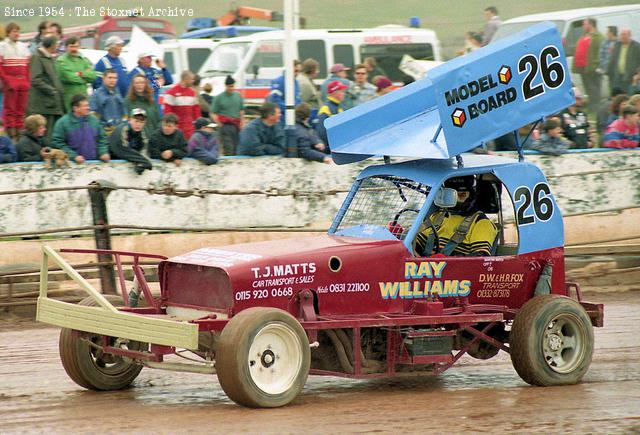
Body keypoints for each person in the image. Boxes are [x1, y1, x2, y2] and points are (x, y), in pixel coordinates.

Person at [414, 176, 498, 257]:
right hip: (423, 269)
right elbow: (414, 245)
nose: (455, 199)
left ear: (471, 195)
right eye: (450, 196)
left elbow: (480, 259)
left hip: (457, 270)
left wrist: (445, 259)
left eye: (461, 195)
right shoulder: (436, 217)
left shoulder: (481, 223)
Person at [27, 35, 64, 146]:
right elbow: (35, 79)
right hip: (43, 104)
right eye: (56, 43)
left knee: (51, 133)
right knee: (44, 134)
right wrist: (52, 90)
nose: (58, 46)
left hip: (52, 104)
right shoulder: (37, 57)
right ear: (51, 45)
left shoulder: (49, 58)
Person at [51, 94, 109, 164]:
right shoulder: (62, 123)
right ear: (75, 108)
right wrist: (73, 156)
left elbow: (102, 138)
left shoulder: (94, 120)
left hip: (94, 164)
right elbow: (57, 143)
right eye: (85, 106)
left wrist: (103, 152)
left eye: (88, 105)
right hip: (73, 166)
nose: (88, 108)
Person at [0, 23, 31, 141]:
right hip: (11, 81)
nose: (16, 34)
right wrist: (7, 80)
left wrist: (27, 81)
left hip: (22, 81)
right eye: (14, 31)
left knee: (21, 108)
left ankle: (19, 132)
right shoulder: (2, 46)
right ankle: (11, 133)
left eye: (18, 31)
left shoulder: (23, 46)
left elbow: (27, 66)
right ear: (8, 33)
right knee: (10, 108)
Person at [55, 36, 96, 111]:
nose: (74, 49)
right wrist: (85, 78)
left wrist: (80, 74)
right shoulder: (61, 61)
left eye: (76, 46)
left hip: (84, 98)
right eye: (71, 47)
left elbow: (93, 76)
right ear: (66, 47)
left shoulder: (84, 59)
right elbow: (70, 78)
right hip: (70, 99)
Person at [572, 18, 603, 114]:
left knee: (594, 90)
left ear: (591, 25)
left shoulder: (598, 37)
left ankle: (596, 108)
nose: (583, 26)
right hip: (583, 68)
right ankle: (591, 107)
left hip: (592, 68)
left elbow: (601, 53)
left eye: (585, 24)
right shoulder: (583, 36)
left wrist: (596, 65)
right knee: (588, 89)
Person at [109, 108, 152, 174]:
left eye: (141, 122)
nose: (138, 124)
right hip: (111, 162)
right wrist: (143, 161)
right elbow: (122, 149)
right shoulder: (122, 129)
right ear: (130, 120)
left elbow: (144, 148)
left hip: (125, 165)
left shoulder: (143, 133)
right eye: (136, 121)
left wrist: (141, 163)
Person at [211, 75, 244, 155]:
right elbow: (213, 113)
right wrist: (219, 124)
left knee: (237, 147)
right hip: (225, 126)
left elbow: (241, 110)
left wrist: (242, 121)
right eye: (229, 86)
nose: (231, 88)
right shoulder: (219, 98)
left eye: (232, 86)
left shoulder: (238, 96)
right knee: (228, 148)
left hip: (236, 125)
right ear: (225, 86)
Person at [163, 70, 200, 140]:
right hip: (177, 129)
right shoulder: (171, 92)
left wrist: (197, 124)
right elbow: (167, 112)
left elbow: (196, 110)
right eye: (191, 79)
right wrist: (171, 127)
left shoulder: (192, 93)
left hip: (190, 129)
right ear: (186, 79)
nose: (193, 81)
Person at [90, 69, 125, 136]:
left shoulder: (118, 93)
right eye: (110, 78)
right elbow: (93, 117)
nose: (112, 80)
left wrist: (124, 124)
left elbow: (123, 111)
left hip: (119, 132)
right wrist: (103, 128)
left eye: (115, 78)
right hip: (105, 133)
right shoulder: (96, 95)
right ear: (103, 78)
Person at [125, 74, 161, 139]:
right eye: (137, 83)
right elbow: (126, 122)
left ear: (146, 84)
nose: (139, 85)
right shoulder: (128, 101)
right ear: (133, 85)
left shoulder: (151, 100)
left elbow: (159, 120)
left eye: (142, 82)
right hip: (137, 141)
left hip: (154, 139)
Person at [266, 60, 302, 125]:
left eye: (299, 71)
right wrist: (290, 108)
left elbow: (298, 99)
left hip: (293, 117)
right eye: (296, 71)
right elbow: (274, 101)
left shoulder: (295, 82)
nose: (297, 74)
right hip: (281, 118)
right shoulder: (278, 81)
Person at [607, 28, 640, 96]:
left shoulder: (636, 46)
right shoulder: (617, 45)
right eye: (621, 34)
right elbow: (612, 60)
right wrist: (608, 72)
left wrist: (638, 75)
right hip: (617, 76)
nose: (622, 36)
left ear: (630, 35)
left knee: (629, 96)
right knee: (618, 97)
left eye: (624, 34)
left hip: (630, 77)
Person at [316, 80, 348, 149]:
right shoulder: (325, 109)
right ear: (334, 92)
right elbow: (321, 133)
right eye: (342, 91)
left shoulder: (341, 107)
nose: (344, 94)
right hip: (330, 149)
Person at [598, 26, 618, 90]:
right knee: (612, 88)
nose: (606, 34)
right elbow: (601, 56)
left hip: (618, 71)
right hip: (609, 71)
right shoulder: (605, 42)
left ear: (612, 33)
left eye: (607, 32)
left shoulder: (619, 42)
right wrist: (604, 67)